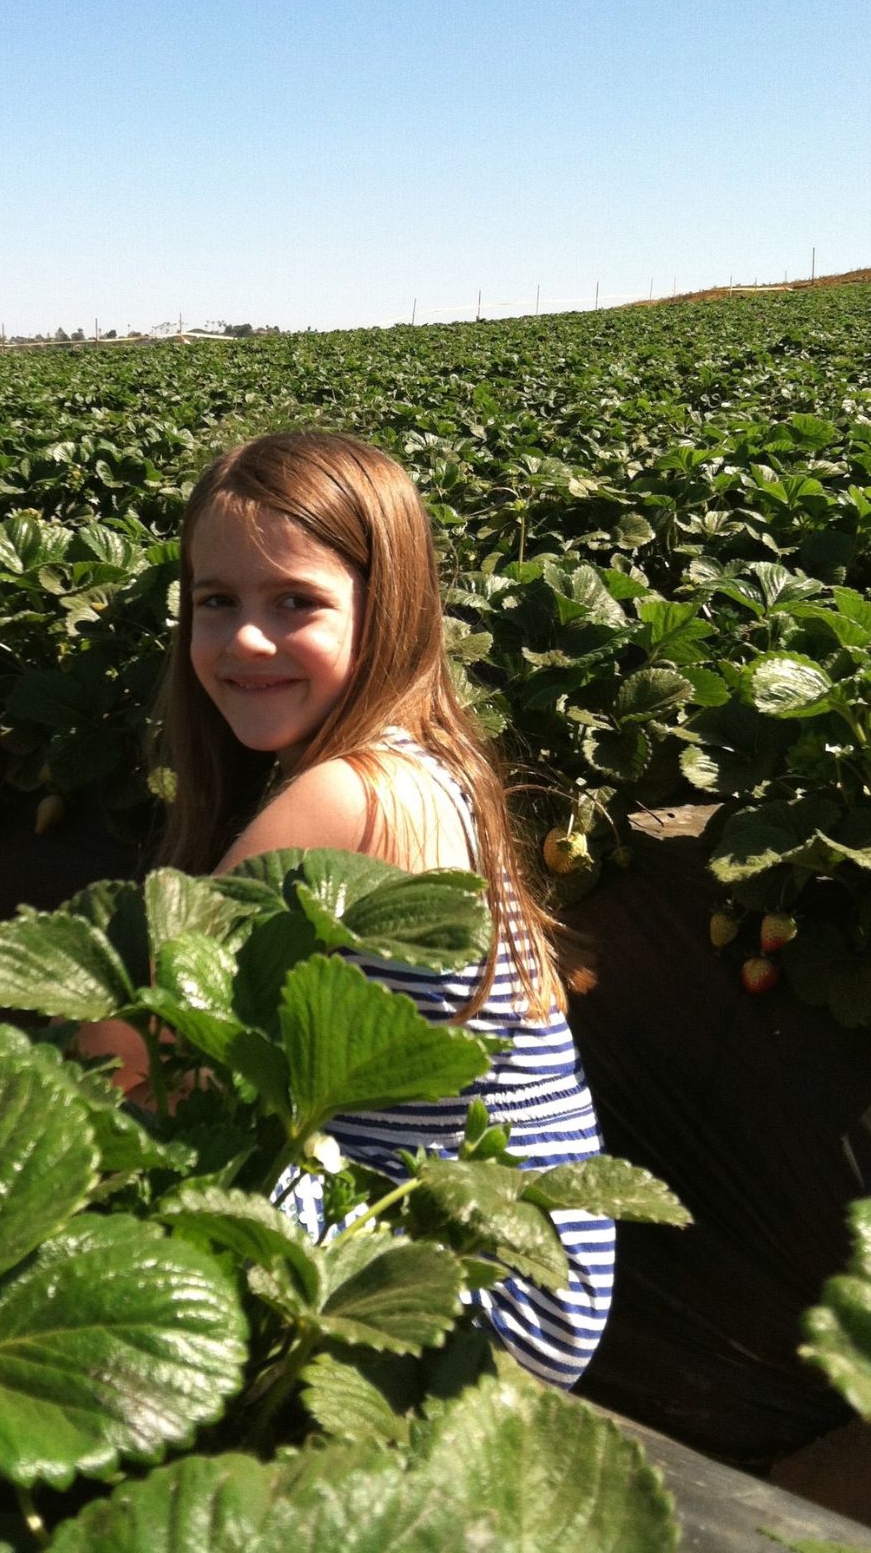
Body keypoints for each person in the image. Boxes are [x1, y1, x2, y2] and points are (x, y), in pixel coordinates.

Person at [151, 428, 614, 1389]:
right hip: (526, 1254)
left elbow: (135, 1054)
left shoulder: (350, 796)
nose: (244, 636)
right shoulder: (427, 763)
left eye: (297, 602)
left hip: (466, 1281)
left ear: (386, 610)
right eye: (215, 602)